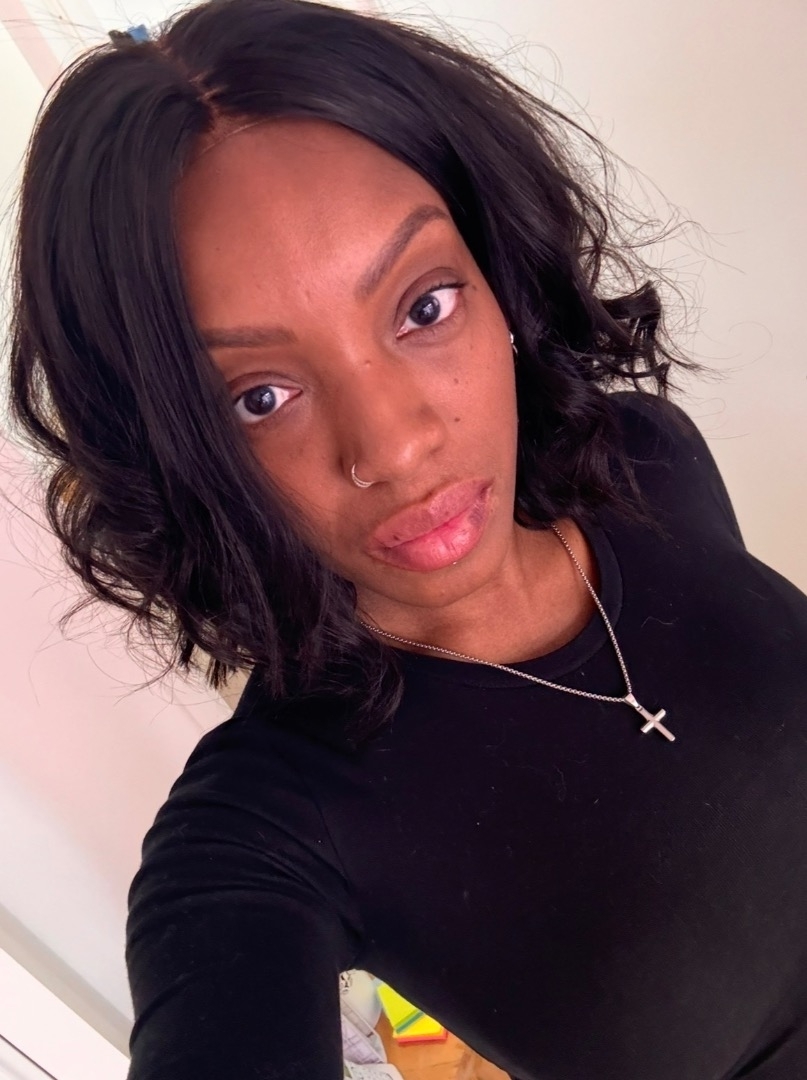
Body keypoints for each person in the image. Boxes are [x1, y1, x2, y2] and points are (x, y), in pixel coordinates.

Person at [7, 0, 807, 1077]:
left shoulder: (643, 455)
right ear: (179, 454)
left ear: (495, 273)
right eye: (259, 397)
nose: (393, 445)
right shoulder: (261, 833)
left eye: (423, 306)